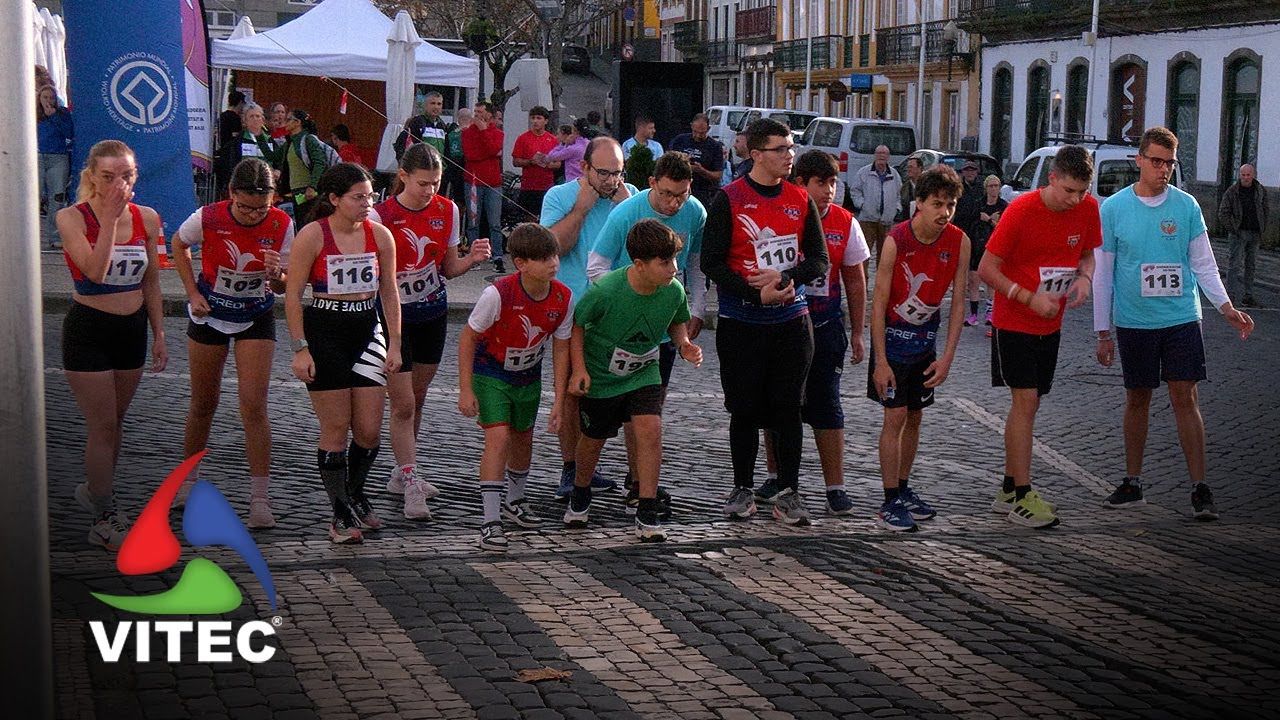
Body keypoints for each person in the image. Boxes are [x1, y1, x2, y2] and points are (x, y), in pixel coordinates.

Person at [1094, 127, 1255, 520]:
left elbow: (1203, 263)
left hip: (1181, 317)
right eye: (1156, 161)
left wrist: (1226, 307)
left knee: (1186, 398)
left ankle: (1200, 488)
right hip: (1134, 320)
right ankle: (1133, 482)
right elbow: (1104, 272)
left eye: (1169, 162)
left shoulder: (1186, 207)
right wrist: (1103, 330)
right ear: (1139, 161)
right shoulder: (1113, 208)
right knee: (1137, 398)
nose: (1163, 169)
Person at [701, 118, 829, 525]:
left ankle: (788, 492)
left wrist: (787, 278)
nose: (789, 155)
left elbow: (819, 260)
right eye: (781, 149)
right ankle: (742, 489)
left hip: (791, 321)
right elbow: (711, 263)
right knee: (744, 409)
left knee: (789, 408)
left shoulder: (800, 199)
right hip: (742, 322)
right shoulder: (729, 198)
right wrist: (754, 292)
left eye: (791, 147)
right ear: (756, 155)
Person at [978, 145, 1100, 528]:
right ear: (1052, 179)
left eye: (1081, 191)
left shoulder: (1088, 209)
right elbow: (986, 268)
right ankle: (1023, 497)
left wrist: (1084, 279)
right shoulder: (1021, 211)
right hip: (1013, 322)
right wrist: (1027, 298)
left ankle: (1008, 486)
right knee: (1025, 403)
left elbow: (1087, 255)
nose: (1074, 199)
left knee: (1031, 406)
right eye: (1068, 190)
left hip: (1052, 324)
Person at [371, 144, 492, 520]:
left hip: (432, 313)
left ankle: (401, 470)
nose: (429, 191)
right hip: (395, 317)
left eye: (436, 183)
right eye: (423, 183)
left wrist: (470, 260)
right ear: (403, 177)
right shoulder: (382, 215)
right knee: (403, 403)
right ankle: (410, 480)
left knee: (417, 399)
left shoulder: (447, 210)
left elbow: (447, 267)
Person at [172, 158, 293, 529]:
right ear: (230, 195)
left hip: (256, 315)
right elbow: (178, 244)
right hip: (210, 314)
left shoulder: (283, 224)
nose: (255, 215)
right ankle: (187, 482)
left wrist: (277, 275)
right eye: (245, 207)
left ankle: (260, 497)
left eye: (262, 207)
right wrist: (192, 293)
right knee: (203, 403)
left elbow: (287, 285)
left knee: (254, 405)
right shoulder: (208, 217)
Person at [285, 163, 402, 544]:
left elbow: (390, 293)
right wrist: (300, 348)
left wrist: (396, 343)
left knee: (368, 432)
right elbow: (292, 295)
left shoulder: (380, 235)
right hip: (325, 332)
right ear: (334, 200)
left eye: (371, 195)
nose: (368, 203)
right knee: (335, 430)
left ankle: (355, 491)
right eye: (359, 197)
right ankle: (339, 515)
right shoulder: (312, 236)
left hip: (368, 331)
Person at [587, 151, 710, 513]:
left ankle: (640, 482)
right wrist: (624, 301)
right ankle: (616, 481)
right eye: (667, 194)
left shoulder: (696, 212)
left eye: (682, 195)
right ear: (652, 183)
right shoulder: (626, 212)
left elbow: (697, 265)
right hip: (623, 327)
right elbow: (597, 266)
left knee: (649, 408)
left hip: (665, 321)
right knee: (621, 411)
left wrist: (697, 308)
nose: (674, 203)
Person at [60, 140, 168, 550]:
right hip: (89, 326)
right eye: (107, 177)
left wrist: (158, 332)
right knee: (102, 425)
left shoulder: (148, 218)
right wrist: (106, 219)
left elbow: (152, 279)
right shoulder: (72, 218)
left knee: (116, 423)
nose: (117, 184)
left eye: (125, 176)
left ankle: (96, 491)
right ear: (92, 177)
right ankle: (104, 515)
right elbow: (94, 269)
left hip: (131, 329)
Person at [565, 220, 703, 540]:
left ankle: (647, 507)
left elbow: (677, 322)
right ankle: (580, 491)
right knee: (593, 439)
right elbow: (577, 325)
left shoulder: (673, 290)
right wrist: (580, 369)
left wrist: (683, 345)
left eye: (674, 260)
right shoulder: (606, 290)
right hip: (602, 375)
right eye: (664, 262)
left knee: (650, 428)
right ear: (639, 265)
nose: (673, 268)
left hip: (643, 371)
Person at [758, 150, 870, 515]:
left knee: (827, 406)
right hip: (784, 325)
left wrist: (857, 332)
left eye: (834, 183)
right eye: (821, 183)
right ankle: (777, 477)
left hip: (824, 328)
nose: (830, 191)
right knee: (776, 405)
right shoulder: (783, 216)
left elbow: (855, 280)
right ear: (800, 184)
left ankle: (835, 486)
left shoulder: (845, 222)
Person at [458, 224, 572, 552]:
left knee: (523, 436)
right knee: (499, 438)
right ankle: (490, 520)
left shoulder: (563, 297)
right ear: (521, 263)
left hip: (528, 375)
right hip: (491, 372)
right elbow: (468, 337)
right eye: (544, 258)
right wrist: (465, 388)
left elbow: (561, 347)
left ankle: (515, 500)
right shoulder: (498, 293)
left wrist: (558, 400)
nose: (553, 262)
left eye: (554, 255)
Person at [868, 166, 969, 531]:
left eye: (951, 205)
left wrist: (947, 358)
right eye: (938, 204)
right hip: (893, 343)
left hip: (925, 344)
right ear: (919, 204)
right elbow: (877, 302)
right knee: (893, 417)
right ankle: (889, 499)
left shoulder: (959, 240)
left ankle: (905, 488)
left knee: (914, 416)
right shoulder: (897, 239)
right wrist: (880, 361)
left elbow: (959, 303)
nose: (945, 212)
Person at [541, 137, 637, 499]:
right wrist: (581, 210)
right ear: (584, 168)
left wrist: (627, 207)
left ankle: (598, 469)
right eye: (603, 173)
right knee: (571, 392)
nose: (612, 180)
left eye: (617, 172)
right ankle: (571, 469)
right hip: (573, 310)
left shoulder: (629, 198)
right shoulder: (560, 197)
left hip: (616, 311)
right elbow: (551, 248)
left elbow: (643, 249)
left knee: (621, 394)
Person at [462, 101, 506, 273]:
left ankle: (497, 256)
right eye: (475, 111)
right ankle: (475, 257)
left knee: (495, 221)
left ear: (489, 114)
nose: (477, 115)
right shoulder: (467, 133)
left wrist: (484, 131)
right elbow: (470, 154)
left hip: (493, 182)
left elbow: (494, 147)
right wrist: (488, 153)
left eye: (480, 111)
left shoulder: (497, 132)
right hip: (473, 181)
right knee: (474, 221)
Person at [1219, 163, 1269, 308]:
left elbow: (1265, 209)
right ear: (1239, 175)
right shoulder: (1232, 192)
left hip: (1255, 232)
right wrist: (1233, 229)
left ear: (1253, 175)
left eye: (1248, 175)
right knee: (1234, 265)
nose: (1246, 178)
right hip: (1238, 233)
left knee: (1251, 265)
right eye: (1243, 175)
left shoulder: (1260, 190)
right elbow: (1223, 212)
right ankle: (1230, 296)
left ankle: (1248, 295)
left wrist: (1262, 226)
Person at [966, 174, 1007, 327]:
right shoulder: (978, 204)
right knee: (974, 280)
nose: (994, 189)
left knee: (991, 281)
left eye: (996, 185)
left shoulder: (1003, 206)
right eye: (991, 186)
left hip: (994, 246)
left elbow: (1004, 229)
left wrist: (989, 220)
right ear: (986, 188)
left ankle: (990, 313)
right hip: (977, 244)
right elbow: (970, 222)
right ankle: (973, 314)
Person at [849, 145, 902, 264]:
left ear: (888, 157)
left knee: (884, 256)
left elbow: (899, 193)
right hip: (867, 220)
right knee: (864, 255)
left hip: (886, 221)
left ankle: (881, 280)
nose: (881, 156)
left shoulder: (894, 174)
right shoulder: (864, 172)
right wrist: (862, 205)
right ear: (875, 155)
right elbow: (855, 191)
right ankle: (864, 279)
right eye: (879, 153)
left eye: (884, 153)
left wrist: (896, 209)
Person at [38, 84, 74, 249]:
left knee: (57, 197)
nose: (48, 101)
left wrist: (54, 117)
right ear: (39, 99)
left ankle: (54, 236)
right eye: (45, 97)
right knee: (33, 195)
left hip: (58, 158)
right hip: (37, 157)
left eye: (51, 98)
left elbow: (69, 133)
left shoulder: (62, 113)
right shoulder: (32, 114)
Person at [283, 109, 332, 225]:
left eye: (289, 120)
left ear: (297, 122)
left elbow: (320, 162)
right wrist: (259, 134)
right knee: (300, 224)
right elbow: (272, 155)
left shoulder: (308, 139)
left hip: (308, 192)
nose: (286, 122)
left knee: (308, 224)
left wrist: (312, 186)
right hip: (296, 192)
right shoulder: (290, 142)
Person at [511, 106, 560, 220]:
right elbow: (516, 161)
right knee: (529, 218)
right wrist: (530, 162)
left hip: (546, 185)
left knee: (547, 218)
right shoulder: (523, 138)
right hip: (529, 186)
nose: (535, 121)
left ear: (546, 121)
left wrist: (547, 163)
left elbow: (558, 164)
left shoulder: (552, 140)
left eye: (539, 118)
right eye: (533, 118)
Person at [670, 113, 726, 208]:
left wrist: (702, 170)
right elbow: (669, 161)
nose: (698, 136)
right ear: (691, 126)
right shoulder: (680, 140)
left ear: (708, 129)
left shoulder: (715, 147)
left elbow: (718, 175)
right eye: (695, 132)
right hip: (679, 189)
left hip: (703, 191)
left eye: (702, 133)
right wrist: (683, 163)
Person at [394, 91, 455, 160]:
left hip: (438, 168)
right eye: (432, 103)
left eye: (439, 104)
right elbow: (406, 147)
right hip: (421, 167)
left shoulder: (442, 125)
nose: (436, 107)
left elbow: (446, 151)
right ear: (425, 105)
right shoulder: (417, 122)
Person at [897, 155, 922, 223]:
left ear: (919, 168)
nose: (908, 170)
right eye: (908, 167)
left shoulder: (928, 185)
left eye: (911, 167)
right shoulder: (904, 187)